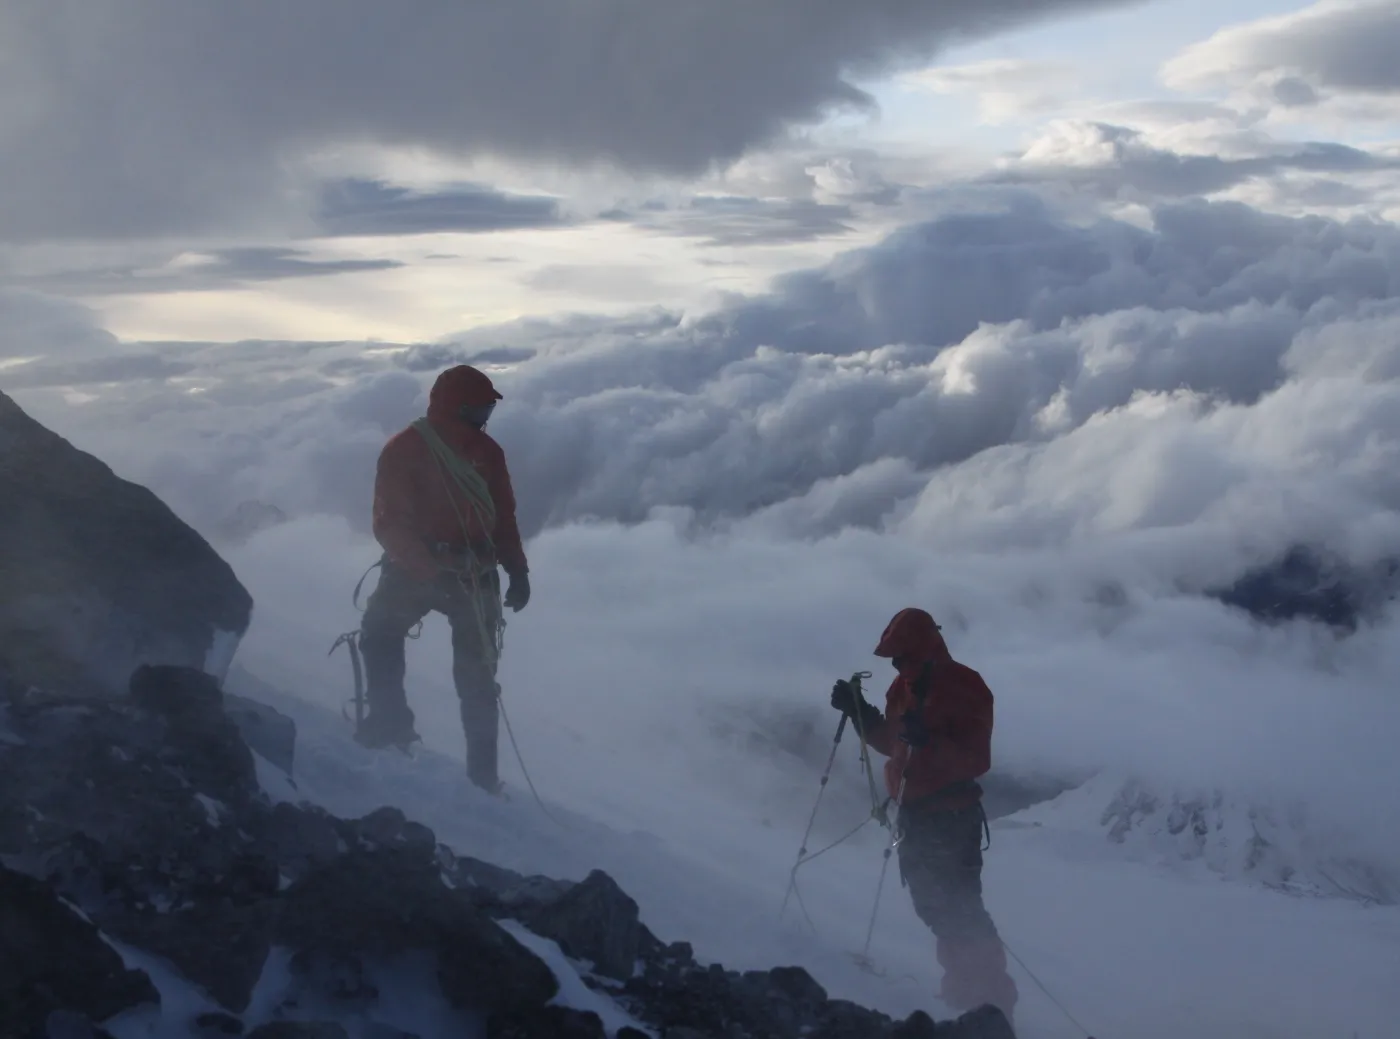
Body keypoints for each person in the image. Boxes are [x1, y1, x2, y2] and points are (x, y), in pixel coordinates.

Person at [830, 607, 1018, 1022]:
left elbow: (976, 758)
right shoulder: (903, 687)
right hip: (917, 814)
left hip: (951, 816)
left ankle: (991, 1005)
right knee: (935, 906)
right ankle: (965, 995)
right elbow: (895, 744)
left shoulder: (964, 685)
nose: (896, 665)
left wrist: (928, 742)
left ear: (920, 650)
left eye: (901, 656)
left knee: (958, 908)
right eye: (893, 658)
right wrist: (861, 714)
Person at [355, 364, 531, 794]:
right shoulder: (426, 450)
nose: (487, 416)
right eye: (483, 408)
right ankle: (477, 775)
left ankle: (392, 728)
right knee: (473, 676)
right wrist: (438, 571)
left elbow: (501, 516)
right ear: (461, 408)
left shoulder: (416, 448)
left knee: (382, 635)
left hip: (434, 572)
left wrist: (517, 568)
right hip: (458, 573)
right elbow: (392, 522)